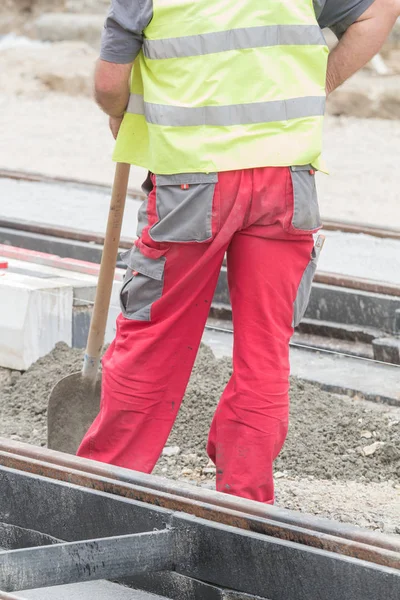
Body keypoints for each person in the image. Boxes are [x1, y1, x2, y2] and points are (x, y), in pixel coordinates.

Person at [77, 0, 400, 503]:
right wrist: (319, 83)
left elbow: (107, 82)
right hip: (286, 181)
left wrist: (119, 115)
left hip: (191, 184)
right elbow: (379, 9)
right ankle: (246, 502)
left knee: (155, 334)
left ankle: (104, 489)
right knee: (265, 350)